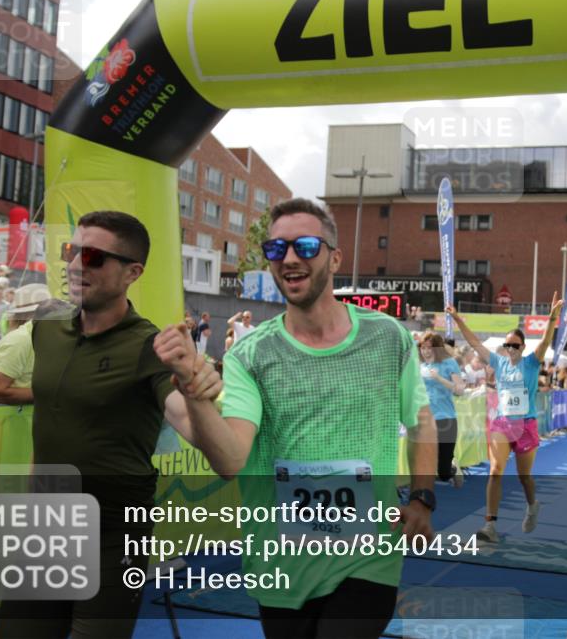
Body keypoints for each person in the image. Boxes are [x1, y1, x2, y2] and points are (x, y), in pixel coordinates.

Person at [153, 198, 436, 639]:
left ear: (334, 257)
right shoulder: (250, 353)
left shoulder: (388, 337)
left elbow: (421, 420)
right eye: (276, 249)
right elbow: (230, 459)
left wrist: (422, 497)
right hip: (279, 562)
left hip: (367, 554)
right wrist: (192, 391)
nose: (289, 259)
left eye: (305, 246)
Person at [0, 211, 221, 639]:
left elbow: (188, 425)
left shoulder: (148, 346)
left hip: (114, 535)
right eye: (72, 251)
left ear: (132, 272)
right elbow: (55, 415)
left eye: (95, 256)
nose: (76, 264)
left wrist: (196, 389)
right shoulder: (46, 327)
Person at [447, 291, 563, 543]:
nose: (510, 348)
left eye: (515, 345)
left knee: (524, 477)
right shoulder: (498, 363)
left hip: (526, 425)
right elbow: (475, 343)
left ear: (523, 347)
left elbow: (544, 341)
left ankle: (533, 505)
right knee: (496, 470)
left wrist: (552, 318)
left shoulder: (532, 362)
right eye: (507, 344)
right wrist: (458, 319)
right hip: (502, 423)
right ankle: (490, 526)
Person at [419, 331, 465, 487]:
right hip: (425, 419)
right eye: (422, 348)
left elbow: (460, 390)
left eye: (429, 348)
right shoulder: (420, 366)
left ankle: (452, 468)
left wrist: (438, 378)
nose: (425, 351)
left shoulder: (449, 363)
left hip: (446, 418)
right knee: (424, 461)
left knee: (443, 473)